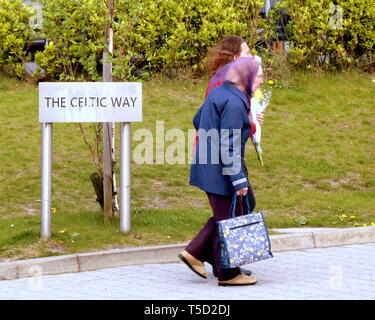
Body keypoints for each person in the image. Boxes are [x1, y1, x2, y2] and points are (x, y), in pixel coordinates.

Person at [179, 57, 264, 286]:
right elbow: (229, 145)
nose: (262, 80)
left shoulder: (219, 92)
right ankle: (227, 273)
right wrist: (238, 179)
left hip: (208, 165)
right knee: (229, 219)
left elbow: (198, 119)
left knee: (226, 216)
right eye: (258, 75)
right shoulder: (236, 103)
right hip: (220, 170)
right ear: (245, 78)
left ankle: (199, 253)